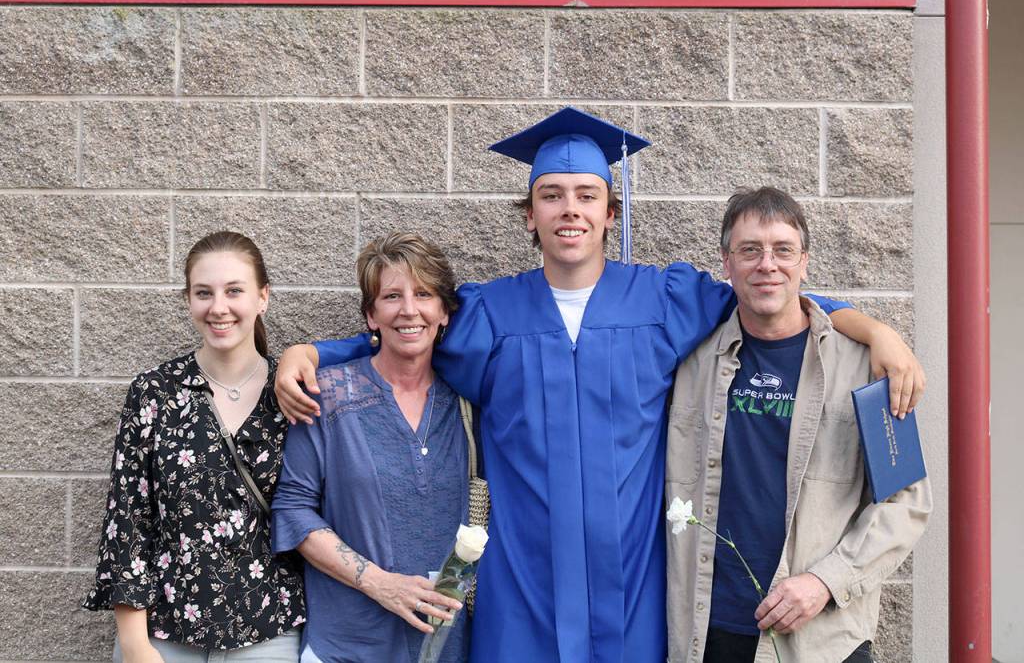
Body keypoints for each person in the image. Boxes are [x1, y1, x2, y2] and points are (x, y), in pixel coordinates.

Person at [274, 108, 925, 663]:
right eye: (551, 195)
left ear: (610, 212)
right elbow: (408, 333)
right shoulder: (490, 316)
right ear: (529, 215)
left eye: (586, 195)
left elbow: (770, 298)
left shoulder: (664, 301)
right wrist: (314, 350)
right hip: (520, 593)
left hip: (633, 597)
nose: (570, 210)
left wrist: (870, 329)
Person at [664, 187, 931, 663]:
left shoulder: (866, 370)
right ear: (726, 264)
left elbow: (906, 503)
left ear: (804, 262)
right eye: (750, 250)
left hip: (821, 639)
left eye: (783, 250)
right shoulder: (690, 364)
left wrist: (825, 581)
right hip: (709, 632)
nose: (767, 264)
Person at [83, 231, 305, 663]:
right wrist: (134, 645)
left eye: (234, 291)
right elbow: (127, 519)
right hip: (164, 632)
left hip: (268, 628)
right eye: (204, 293)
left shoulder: (293, 394)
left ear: (263, 298)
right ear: (188, 300)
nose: (218, 307)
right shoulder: (155, 394)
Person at [270, 232, 468, 663]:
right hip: (348, 644)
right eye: (392, 296)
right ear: (371, 316)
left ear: (444, 313)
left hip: (444, 647)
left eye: (424, 294)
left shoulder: (467, 404)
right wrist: (379, 583)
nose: (409, 310)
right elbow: (292, 508)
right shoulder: (328, 395)